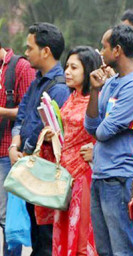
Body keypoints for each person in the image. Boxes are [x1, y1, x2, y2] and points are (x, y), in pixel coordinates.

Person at [84, 24, 133, 256]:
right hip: (101, 173)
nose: (100, 53)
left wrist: (101, 125)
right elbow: (91, 126)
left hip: (122, 174)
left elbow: (103, 132)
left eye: (104, 47)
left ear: (117, 50)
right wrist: (94, 91)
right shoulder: (111, 82)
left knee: (124, 248)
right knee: (104, 249)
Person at [9, 22, 70, 256]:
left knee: (46, 237)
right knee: (35, 233)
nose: (26, 53)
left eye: (30, 47)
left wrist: (26, 149)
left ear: (46, 51)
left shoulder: (60, 88)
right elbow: (23, 115)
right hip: (27, 163)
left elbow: (51, 131)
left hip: (45, 170)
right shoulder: (36, 81)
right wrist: (15, 145)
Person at [43, 46, 101, 255]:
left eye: (74, 67)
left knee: (83, 235)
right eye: (67, 66)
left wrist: (96, 150)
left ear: (88, 70)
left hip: (85, 175)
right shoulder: (72, 97)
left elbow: (105, 133)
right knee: (65, 231)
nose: (67, 71)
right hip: (65, 175)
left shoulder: (97, 100)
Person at [0, 41, 35, 256]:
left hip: (7, 152)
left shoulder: (20, 67)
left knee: (8, 221)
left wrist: (2, 111)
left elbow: (28, 111)